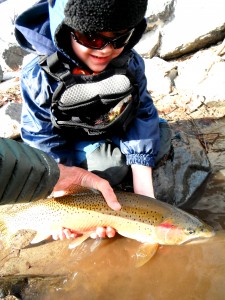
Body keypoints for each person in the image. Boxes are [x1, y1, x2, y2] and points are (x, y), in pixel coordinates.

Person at [15, 0, 172, 240]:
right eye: (92, 39)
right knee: (111, 167)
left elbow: (142, 111)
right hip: (72, 141)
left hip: (115, 122)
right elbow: (40, 136)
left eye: (119, 38)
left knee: (162, 137)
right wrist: (59, 193)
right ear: (67, 30)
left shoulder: (129, 61)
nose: (105, 50)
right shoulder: (40, 76)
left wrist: (145, 195)